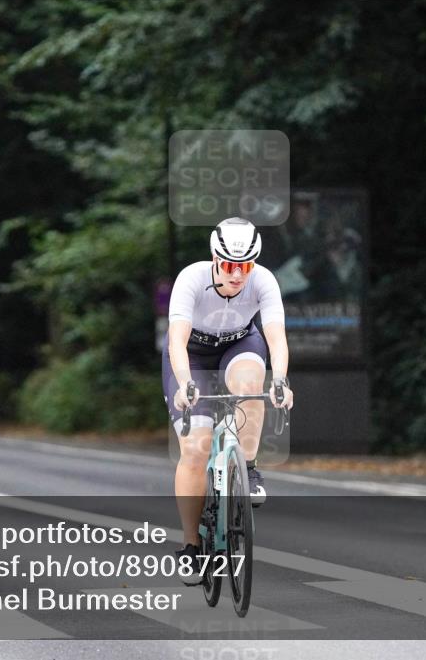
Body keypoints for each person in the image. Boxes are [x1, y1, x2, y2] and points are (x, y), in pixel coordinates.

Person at [164, 217, 294, 585]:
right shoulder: (191, 279)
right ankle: (191, 546)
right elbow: (176, 341)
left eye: (246, 266)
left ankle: (247, 468)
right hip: (192, 355)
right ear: (215, 259)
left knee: (252, 386)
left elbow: (276, 337)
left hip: (240, 344)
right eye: (229, 265)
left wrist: (280, 380)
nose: (238, 275)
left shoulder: (264, 281)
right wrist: (185, 384)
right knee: (196, 448)